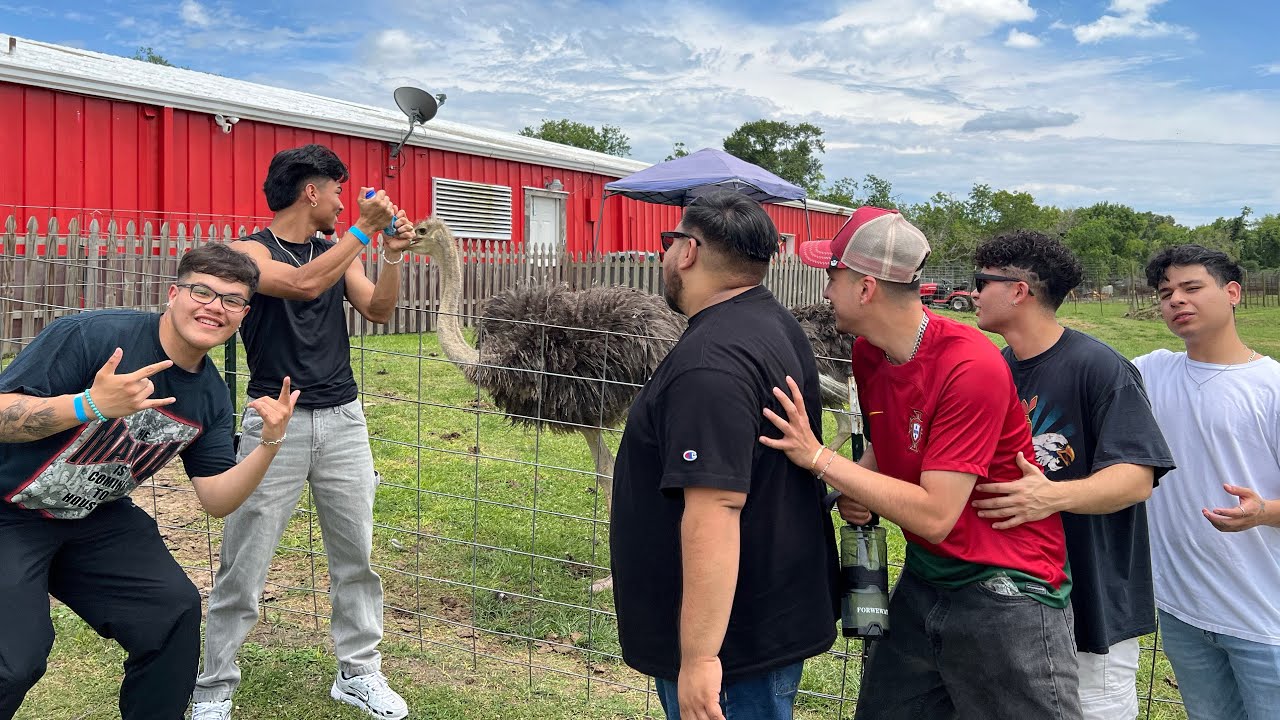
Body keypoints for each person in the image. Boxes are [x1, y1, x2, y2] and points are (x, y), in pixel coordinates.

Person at [763, 207, 1082, 720]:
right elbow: (887, 446)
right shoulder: (870, 354)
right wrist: (861, 480)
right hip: (928, 575)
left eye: (831, 275)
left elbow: (937, 513)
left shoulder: (969, 366)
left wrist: (820, 459)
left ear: (866, 288)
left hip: (1005, 590)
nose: (825, 290)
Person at [0, 243, 297, 719]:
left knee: (173, 613)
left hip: (94, 517)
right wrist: (89, 405)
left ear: (243, 314)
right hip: (8, 509)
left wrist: (270, 444)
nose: (215, 307)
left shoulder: (211, 397)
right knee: (14, 659)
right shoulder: (92, 337)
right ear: (173, 292)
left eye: (233, 300)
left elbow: (216, 498)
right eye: (203, 291)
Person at [192, 144, 413, 720]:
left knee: (355, 555)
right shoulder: (245, 252)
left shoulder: (338, 252)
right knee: (245, 561)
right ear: (310, 190)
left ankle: (359, 673)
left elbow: (380, 312)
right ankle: (214, 686)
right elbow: (302, 285)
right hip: (273, 420)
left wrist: (386, 253)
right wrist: (362, 232)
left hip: (344, 419)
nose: (344, 203)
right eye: (338, 191)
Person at [610, 190, 839, 720]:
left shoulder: (710, 365)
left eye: (668, 243)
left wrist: (700, 658)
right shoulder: (771, 323)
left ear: (688, 250)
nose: (664, 257)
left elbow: (715, 508)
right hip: (764, 615)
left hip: (734, 652)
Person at [968, 230, 1175, 719]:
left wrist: (1050, 496)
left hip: (1090, 604)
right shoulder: (999, 366)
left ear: (1019, 290)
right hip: (1018, 599)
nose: (973, 294)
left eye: (982, 281)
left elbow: (1136, 477)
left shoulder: (1100, 367)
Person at [1132, 245, 1280, 720]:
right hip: (1183, 612)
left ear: (1232, 292)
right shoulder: (1152, 372)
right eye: (1165, 292)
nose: (1176, 300)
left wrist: (1264, 512)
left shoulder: (1271, 387)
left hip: (1265, 620)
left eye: (1192, 287)